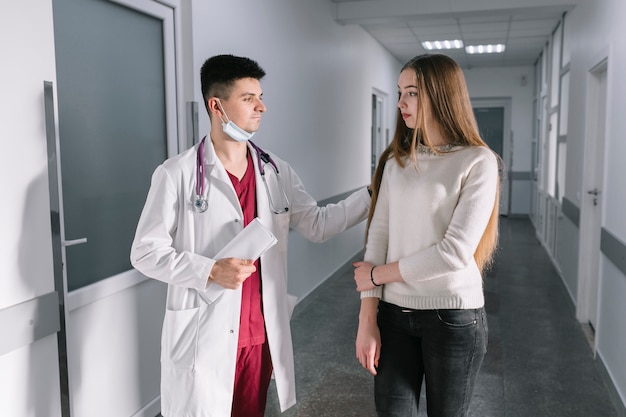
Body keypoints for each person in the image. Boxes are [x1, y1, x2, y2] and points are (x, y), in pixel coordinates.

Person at [130, 54, 370, 417]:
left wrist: (372, 193)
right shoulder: (176, 174)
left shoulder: (275, 171)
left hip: (258, 337)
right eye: (248, 98)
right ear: (216, 105)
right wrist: (209, 270)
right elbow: (145, 252)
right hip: (203, 336)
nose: (262, 106)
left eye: (259, 96)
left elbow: (318, 224)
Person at [352, 53, 501, 417]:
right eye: (400, 92)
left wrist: (376, 276)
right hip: (392, 317)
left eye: (413, 93)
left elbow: (453, 252)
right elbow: (379, 235)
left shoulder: (477, 161)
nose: (401, 102)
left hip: (453, 319)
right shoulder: (395, 162)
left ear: (441, 95)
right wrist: (366, 319)